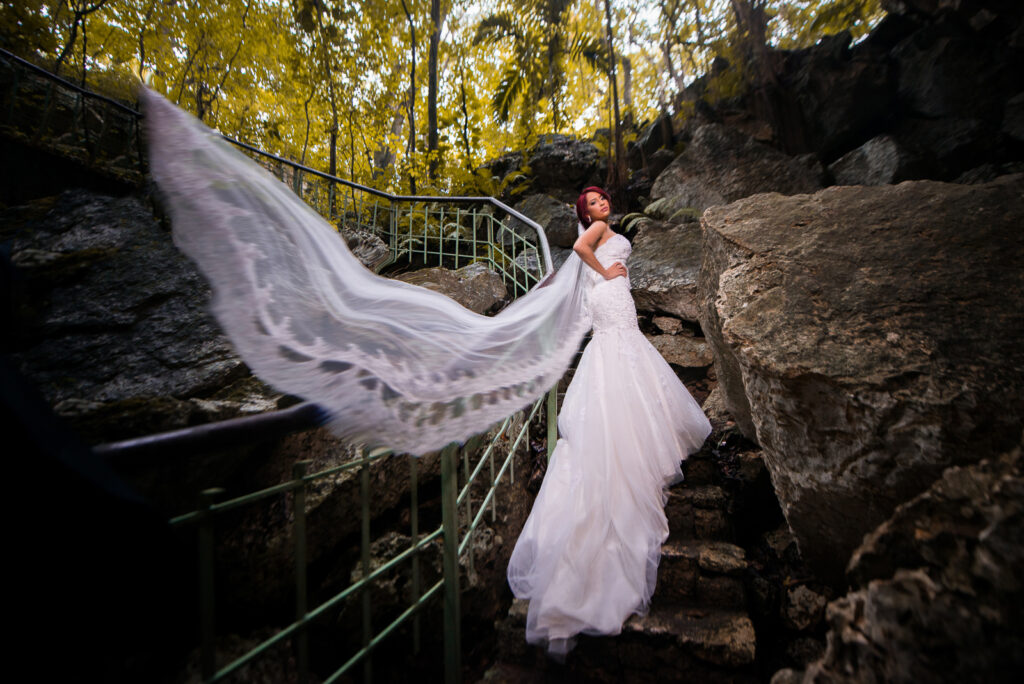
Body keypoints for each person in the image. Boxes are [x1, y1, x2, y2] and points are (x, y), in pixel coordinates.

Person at [506, 187, 712, 657]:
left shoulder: (608, 231)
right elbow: (580, 249)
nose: (601, 205)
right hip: (610, 299)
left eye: (602, 200)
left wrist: (608, 277)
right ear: (586, 214)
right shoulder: (596, 234)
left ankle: (631, 436)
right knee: (621, 352)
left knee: (622, 357)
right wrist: (607, 272)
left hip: (613, 300)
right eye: (592, 203)